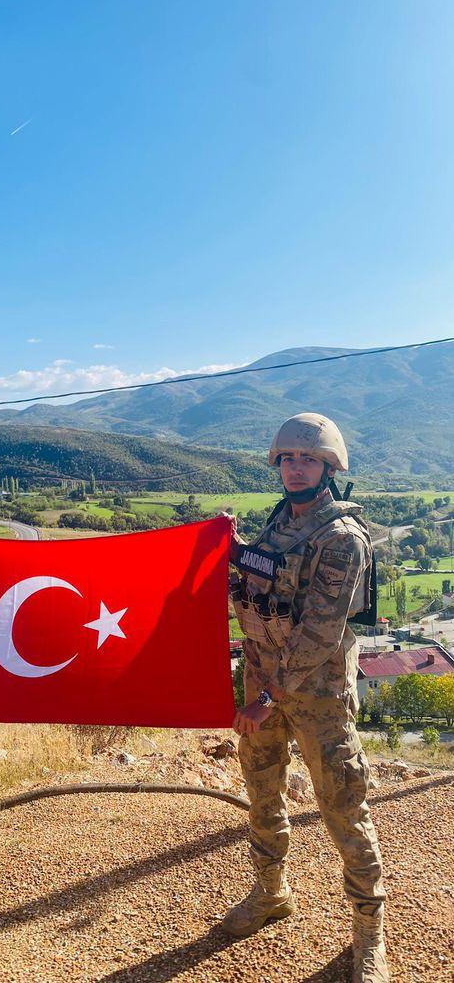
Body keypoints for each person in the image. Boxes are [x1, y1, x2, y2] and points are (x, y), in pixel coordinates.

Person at [223, 413, 387, 983]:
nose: (295, 468)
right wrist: (229, 548)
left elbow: (319, 632)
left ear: (329, 467)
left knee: (343, 806)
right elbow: (254, 587)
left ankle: (369, 933)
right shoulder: (275, 528)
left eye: (308, 459)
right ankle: (271, 893)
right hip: (263, 694)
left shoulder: (341, 538)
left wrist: (265, 696)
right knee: (263, 794)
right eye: (288, 459)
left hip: (314, 697)